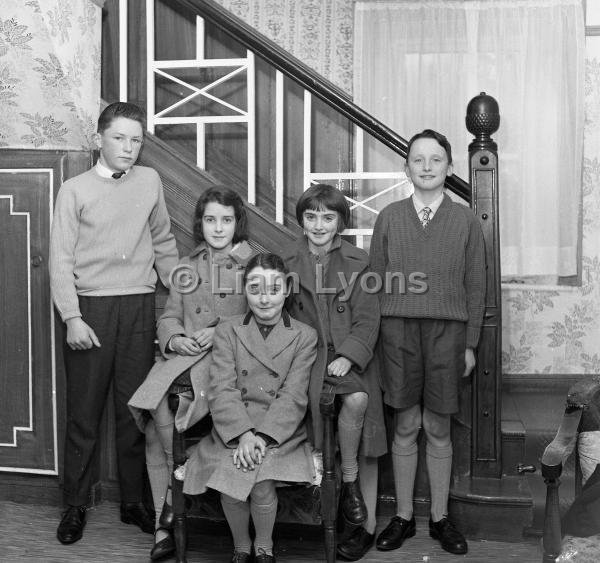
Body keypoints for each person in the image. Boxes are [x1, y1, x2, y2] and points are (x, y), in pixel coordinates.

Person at [49, 102, 179, 544]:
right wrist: (72, 317)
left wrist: (181, 293)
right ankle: (75, 504)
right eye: (120, 138)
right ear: (99, 139)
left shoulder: (150, 180)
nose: (129, 147)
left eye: (136, 140)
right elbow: (60, 261)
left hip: (139, 306)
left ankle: (133, 502)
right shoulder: (74, 190)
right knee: (84, 414)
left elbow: (163, 240)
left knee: (133, 412)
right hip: (91, 311)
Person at [370, 129, 486, 555]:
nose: (426, 167)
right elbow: (374, 280)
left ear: (449, 168)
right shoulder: (389, 217)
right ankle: (403, 516)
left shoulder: (465, 220)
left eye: (435, 160)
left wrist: (469, 343)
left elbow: (476, 283)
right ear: (406, 168)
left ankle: (439, 517)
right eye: (417, 160)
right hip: (397, 331)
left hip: (447, 333)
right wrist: (377, 337)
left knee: (437, 426)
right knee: (404, 425)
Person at [128, 186, 255, 560]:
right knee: (154, 427)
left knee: (169, 408)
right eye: (211, 220)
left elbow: (261, 315)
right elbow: (168, 315)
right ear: (201, 223)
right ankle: (161, 526)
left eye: (226, 220)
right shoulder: (188, 264)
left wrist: (218, 332)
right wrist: (175, 338)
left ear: (237, 223)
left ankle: (171, 499)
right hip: (183, 358)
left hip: (225, 364)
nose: (218, 228)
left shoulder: (252, 262)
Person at [183, 253, 318, 563]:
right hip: (232, 428)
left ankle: (265, 547)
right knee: (232, 479)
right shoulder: (228, 330)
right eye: (255, 288)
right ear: (245, 291)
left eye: (273, 289)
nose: (264, 298)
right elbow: (222, 388)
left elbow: (294, 395)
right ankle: (242, 547)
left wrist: (262, 436)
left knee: (261, 481)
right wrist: (243, 434)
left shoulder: (304, 336)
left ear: (286, 290)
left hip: (280, 432)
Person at [283, 184, 386, 561]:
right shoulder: (287, 262)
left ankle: (355, 494)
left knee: (359, 401)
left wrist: (348, 356)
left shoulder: (358, 262)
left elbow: (367, 319)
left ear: (341, 221)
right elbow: (281, 318)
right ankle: (340, 495)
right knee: (317, 433)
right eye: (311, 217)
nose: (319, 224)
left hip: (348, 361)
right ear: (302, 221)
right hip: (306, 362)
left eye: (328, 217)